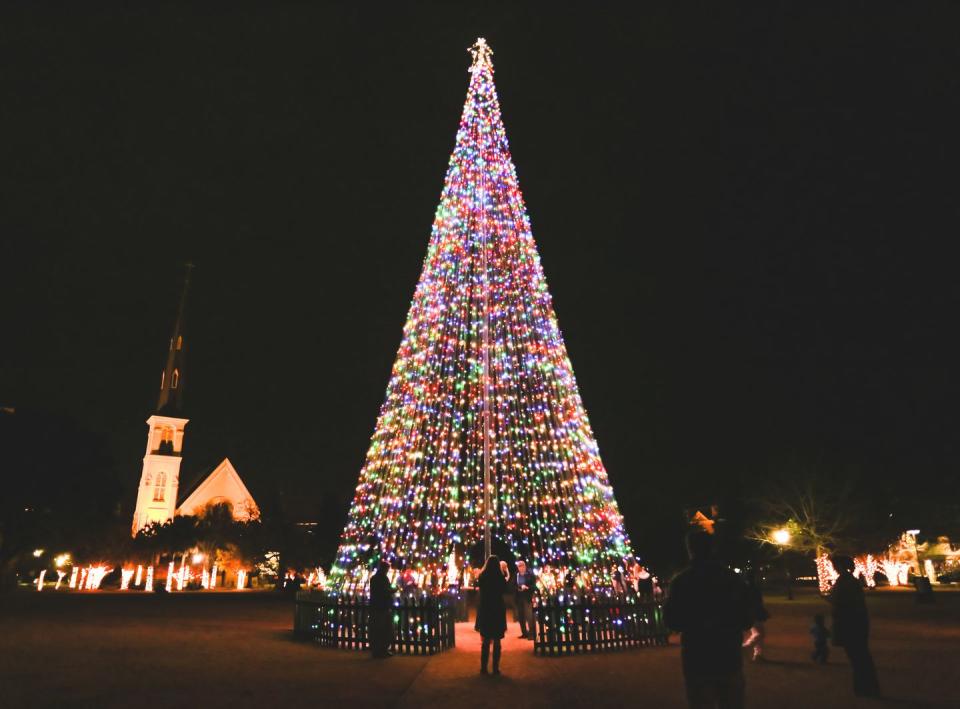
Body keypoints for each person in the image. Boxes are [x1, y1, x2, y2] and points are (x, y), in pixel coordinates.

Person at [664, 531, 754, 709]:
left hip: (697, 655)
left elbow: (671, 621)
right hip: (728, 653)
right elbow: (747, 619)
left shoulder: (682, 582)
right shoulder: (733, 580)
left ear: (690, 550)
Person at [829, 555, 881, 697]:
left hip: (850, 623)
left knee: (858, 657)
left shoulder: (845, 581)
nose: (833, 568)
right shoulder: (849, 580)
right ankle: (865, 686)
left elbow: (842, 601)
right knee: (860, 656)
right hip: (856, 622)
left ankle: (866, 687)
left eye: (835, 565)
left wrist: (832, 599)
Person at [475, 554, 508, 675]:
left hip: (486, 608)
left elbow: (480, 588)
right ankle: (495, 668)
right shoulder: (500, 577)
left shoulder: (482, 576)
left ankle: (483, 668)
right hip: (497, 609)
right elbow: (504, 590)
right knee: (497, 641)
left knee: (486, 641)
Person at [741, 569, 770, 662]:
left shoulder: (747, 588)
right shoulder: (752, 588)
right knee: (759, 634)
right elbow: (757, 602)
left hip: (753, 613)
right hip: (754, 613)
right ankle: (746, 648)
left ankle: (758, 655)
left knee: (758, 633)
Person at [369, 562, 395, 658]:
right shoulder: (383, 578)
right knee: (384, 629)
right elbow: (385, 591)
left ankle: (377, 650)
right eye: (387, 569)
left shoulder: (374, 578)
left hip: (376, 606)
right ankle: (382, 650)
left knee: (377, 629)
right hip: (383, 606)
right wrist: (393, 590)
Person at [514, 560, 535, 640]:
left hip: (527, 597)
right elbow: (512, 585)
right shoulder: (516, 575)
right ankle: (524, 633)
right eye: (519, 566)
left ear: (525, 566)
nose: (521, 568)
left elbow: (534, 586)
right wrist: (518, 588)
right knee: (521, 616)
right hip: (519, 597)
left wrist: (527, 587)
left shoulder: (530, 575)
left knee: (529, 616)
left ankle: (532, 634)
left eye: (522, 566)